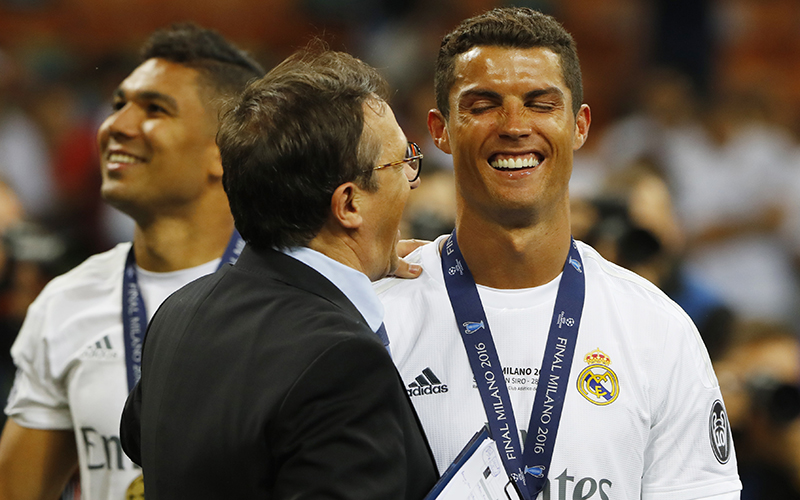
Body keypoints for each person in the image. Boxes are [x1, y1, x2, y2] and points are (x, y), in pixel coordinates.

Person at [375, 7, 742, 500]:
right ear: (439, 129)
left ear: (580, 125)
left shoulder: (658, 330)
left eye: (540, 103)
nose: (514, 126)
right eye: (483, 105)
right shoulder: (379, 318)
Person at [118, 47, 439, 499]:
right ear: (349, 203)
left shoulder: (179, 312)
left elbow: (139, 439)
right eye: (400, 161)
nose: (413, 179)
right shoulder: (341, 359)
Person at [0, 23, 265, 500]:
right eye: (119, 104)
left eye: (155, 109)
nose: (116, 125)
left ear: (224, 153)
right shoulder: (65, 302)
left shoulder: (292, 294)